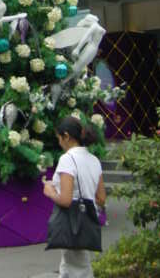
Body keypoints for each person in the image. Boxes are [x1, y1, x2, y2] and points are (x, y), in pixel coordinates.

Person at [43, 117, 106, 278]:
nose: (59, 143)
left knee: (77, 267)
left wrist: (50, 191)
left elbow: (66, 199)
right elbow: (101, 198)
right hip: (88, 220)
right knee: (71, 265)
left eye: (59, 138)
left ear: (66, 136)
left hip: (72, 222)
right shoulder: (94, 160)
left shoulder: (67, 159)